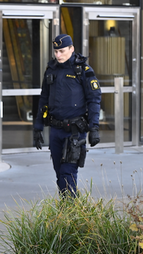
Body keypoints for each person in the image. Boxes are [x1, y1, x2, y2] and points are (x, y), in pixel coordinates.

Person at [34, 34, 102, 196]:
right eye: (56, 51)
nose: (58, 55)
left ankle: (70, 211)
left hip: (75, 131)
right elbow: (44, 99)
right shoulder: (52, 70)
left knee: (67, 174)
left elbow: (94, 99)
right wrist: (38, 126)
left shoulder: (83, 71)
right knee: (59, 175)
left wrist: (94, 128)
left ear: (72, 49)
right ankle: (70, 210)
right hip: (56, 130)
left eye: (62, 51)